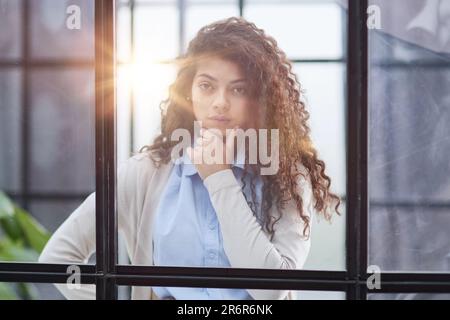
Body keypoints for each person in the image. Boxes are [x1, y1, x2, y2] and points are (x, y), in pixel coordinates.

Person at [39, 17, 341, 300]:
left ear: (259, 99)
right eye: (207, 86)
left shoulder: (287, 175)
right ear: (189, 91)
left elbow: (270, 291)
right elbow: (58, 260)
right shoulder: (146, 174)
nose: (220, 103)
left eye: (238, 89)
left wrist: (219, 177)